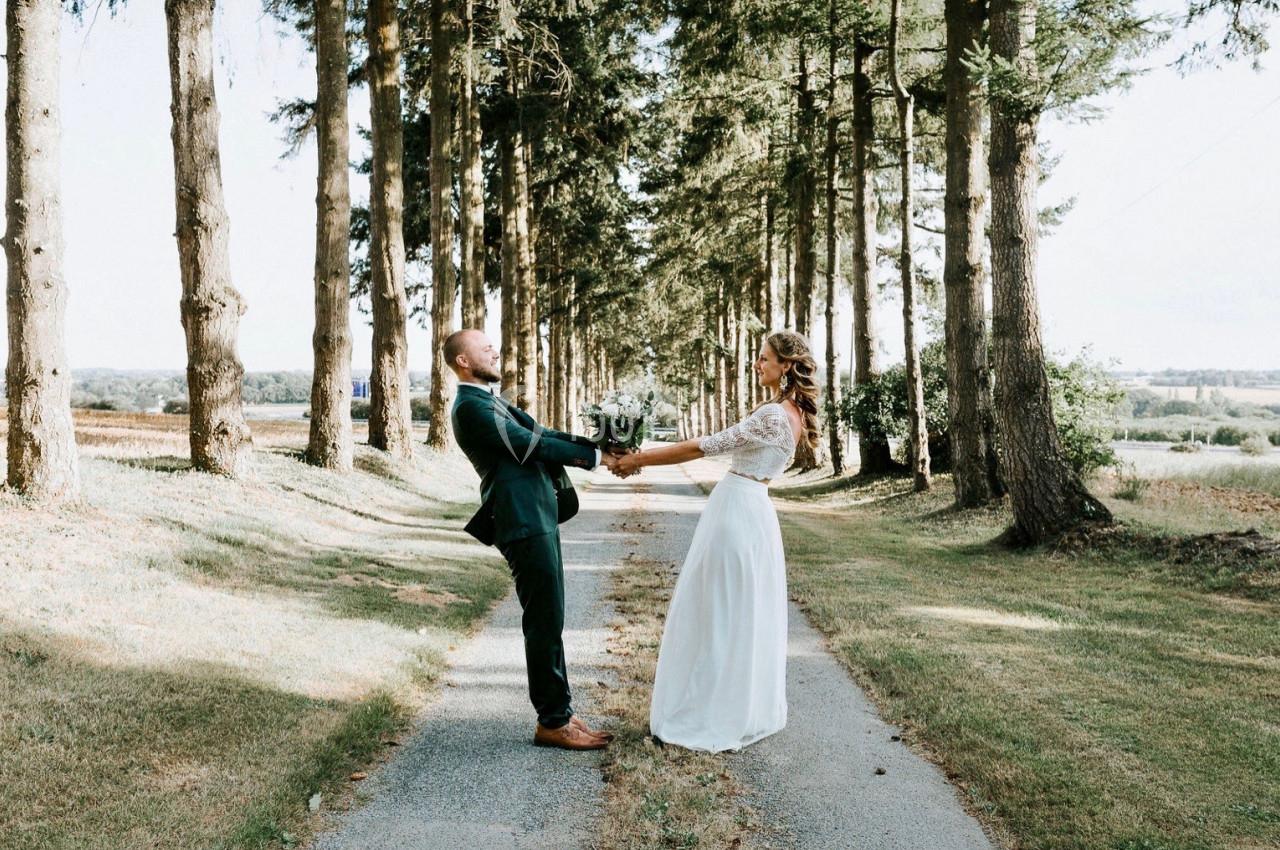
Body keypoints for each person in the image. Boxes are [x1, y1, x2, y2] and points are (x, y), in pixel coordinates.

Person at [608, 331, 819, 752]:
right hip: (753, 510)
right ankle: (734, 703)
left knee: (717, 612)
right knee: (736, 611)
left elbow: (701, 447)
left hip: (737, 512)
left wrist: (636, 459)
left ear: (786, 365)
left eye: (764, 359)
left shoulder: (773, 416)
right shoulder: (789, 412)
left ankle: (710, 711)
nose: (757, 365)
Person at [445, 328, 625, 751]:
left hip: (538, 516)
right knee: (543, 620)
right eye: (483, 347)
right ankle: (551, 722)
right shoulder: (469, 407)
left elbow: (543, 432)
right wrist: (598, 458)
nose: (495, 349)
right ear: (462, 362)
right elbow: (530, 446)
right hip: (521, 521)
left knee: (552, 616)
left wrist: (600, 447)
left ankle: (560, 712)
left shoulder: (490, 400)